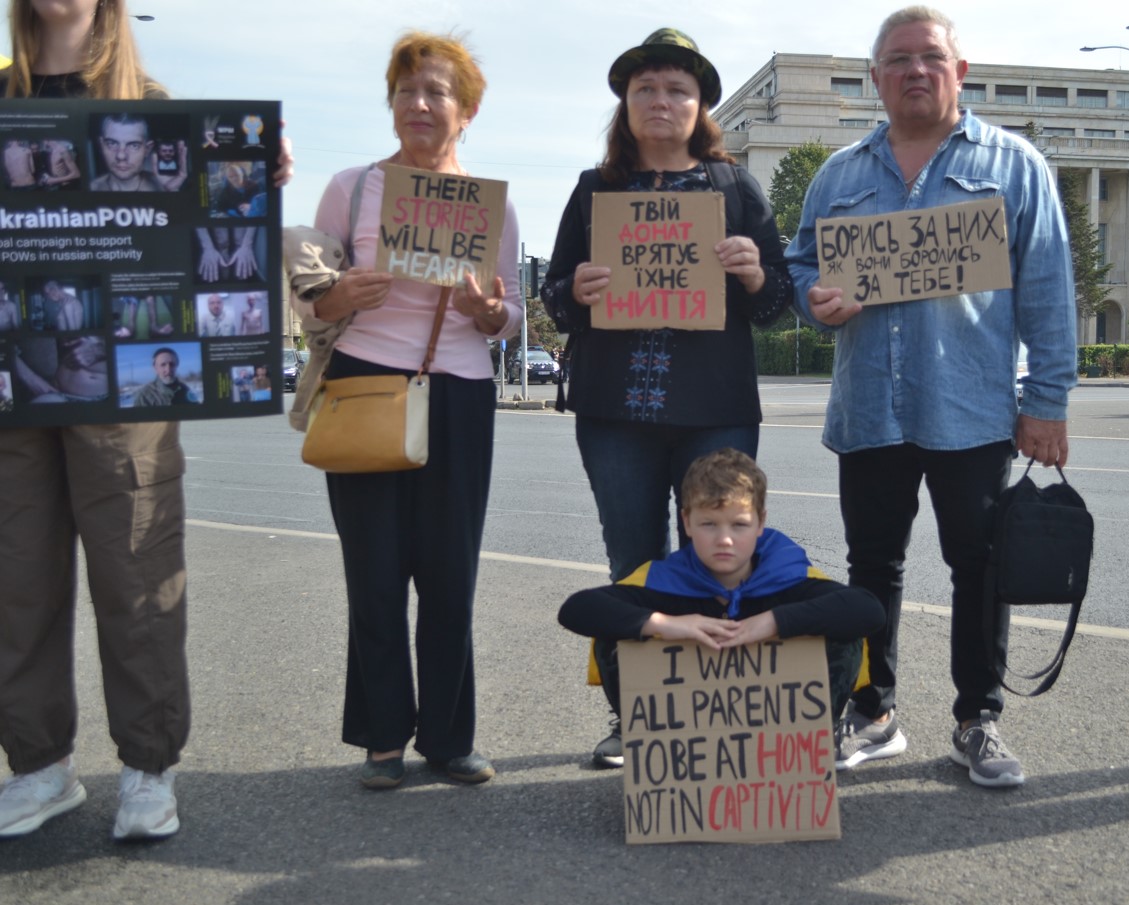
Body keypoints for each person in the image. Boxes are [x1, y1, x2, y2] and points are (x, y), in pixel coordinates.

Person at [0, 0, 293, 841]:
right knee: (17, 583)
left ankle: (146, 771)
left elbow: (203, 227)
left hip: (121, 393)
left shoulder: (158, 108)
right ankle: (40, 767)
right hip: (13, 388)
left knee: (138, 580)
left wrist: (254, 173)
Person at [785, 7, 1077, 786]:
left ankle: (977, 718)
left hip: (972, 408)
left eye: (931, 58)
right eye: (898, 59)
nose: (916, 70)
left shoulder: (1015, 167)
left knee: (979, 565)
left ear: (961, 71)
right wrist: (811, 295)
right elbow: (799, 263)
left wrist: (1047, 402)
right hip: (869, 407)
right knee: (871, 567)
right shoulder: (838, 175)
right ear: (875, 77)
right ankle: (871, 711)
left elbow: (1049, 292)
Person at [540, 28, 792, 769]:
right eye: (646, 87)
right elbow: (553, 293)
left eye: (678, 89)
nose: (661, 100)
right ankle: (637, 716)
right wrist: (576, 291)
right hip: (615, 413)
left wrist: (751, 274)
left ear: (700, 105)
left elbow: (778, 301)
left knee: (718, 559)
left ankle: (707, 718)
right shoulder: (595, 190)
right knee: (634, 563)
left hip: (713, 407)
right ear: (625, 101)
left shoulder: (735, 188)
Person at [295, 30, 522, 790]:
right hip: (363, 384)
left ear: (468, 111)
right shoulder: (353, 188)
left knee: (450, 575)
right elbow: (310, 296)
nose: (419, 104)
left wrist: (490, 313)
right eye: (406, 90)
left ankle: (450, 738)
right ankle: (383, 737)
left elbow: (510, 314)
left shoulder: (491, 203)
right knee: (375, 571)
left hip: (458, 391)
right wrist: (337, 295)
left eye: (437, 92)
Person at [559, 448, 883, 729]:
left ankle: (811, 747)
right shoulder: (667, 579)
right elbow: (577, 609)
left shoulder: (786, 573)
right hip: (692, 730)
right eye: (708, 524)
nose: (724, 539)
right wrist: (666, 624)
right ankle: (647, 742)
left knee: (844, 637)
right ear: (686, 523)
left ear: (760, 523)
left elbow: (867, 610)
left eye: (739, 525)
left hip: (777, 727)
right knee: (613, 637)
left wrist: (773, 621)